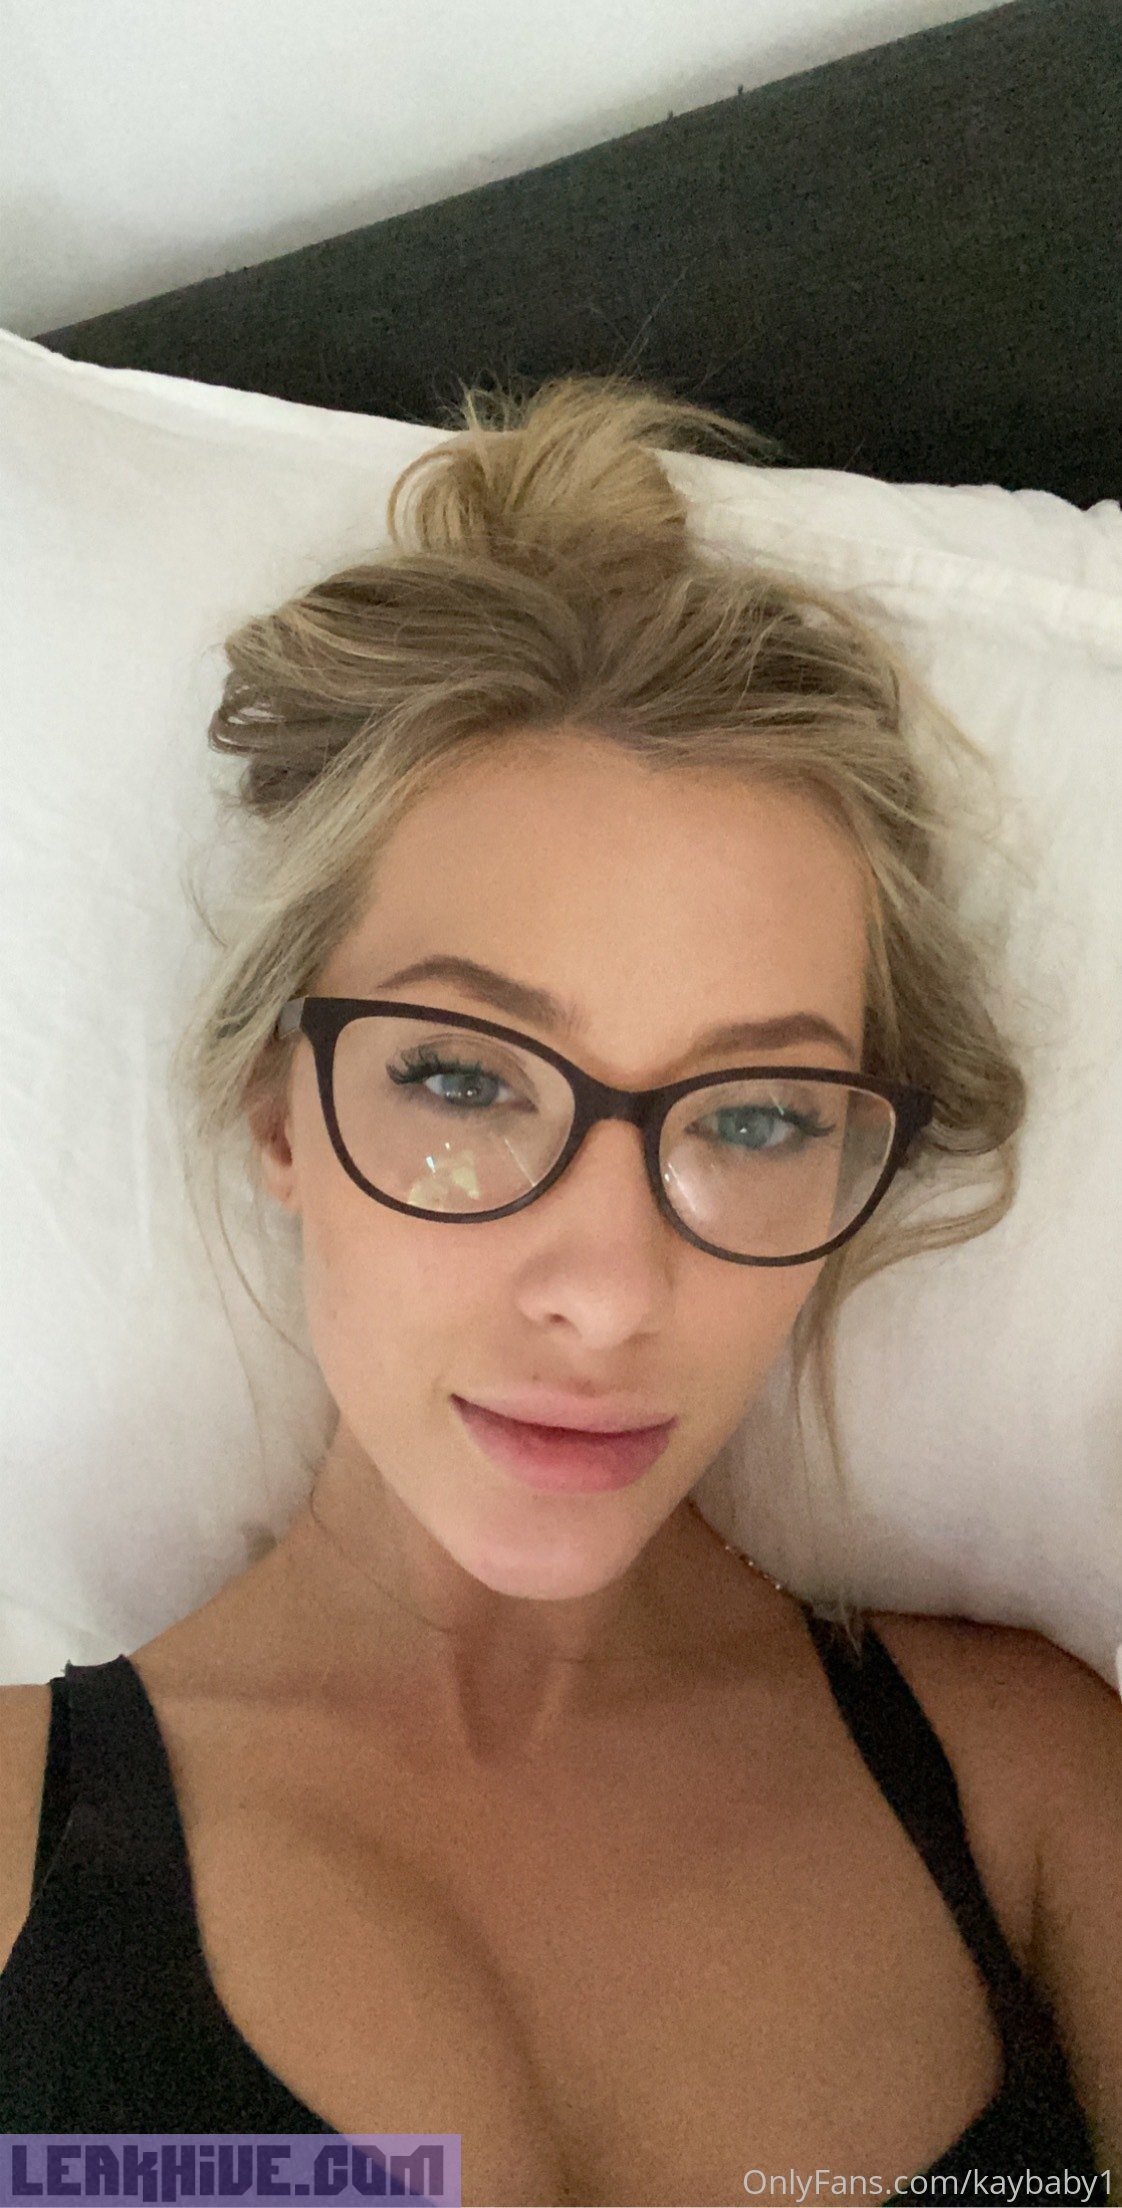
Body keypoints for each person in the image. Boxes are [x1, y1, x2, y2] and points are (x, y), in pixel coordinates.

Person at [0, 375, 1112, 2206]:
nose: (605, 1294)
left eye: (753, 1116)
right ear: (281, 1112)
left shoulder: (1033, 1803)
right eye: (460, 1079)